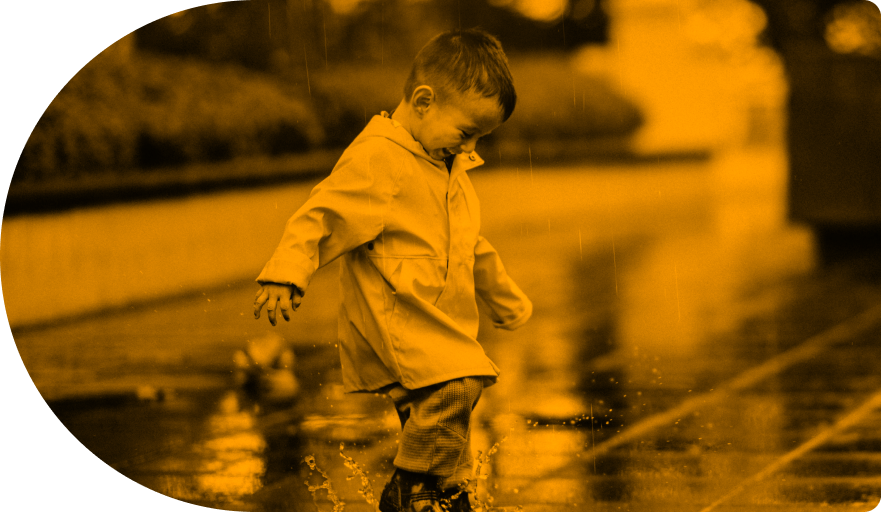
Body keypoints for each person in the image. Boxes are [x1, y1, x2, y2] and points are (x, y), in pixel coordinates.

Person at [253, 28, 532, 512]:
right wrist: (287, 270)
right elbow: (323, 213)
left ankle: (446, 492)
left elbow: (470, 244)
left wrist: (505, 297)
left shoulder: (446, 166)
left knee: (446, 413)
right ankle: (410, 488)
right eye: (467, 132)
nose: (469, 147)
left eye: (480, 138)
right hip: (396, 319)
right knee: (460, 384)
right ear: (423, 101)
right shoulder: (379, 158)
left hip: (435, 323)